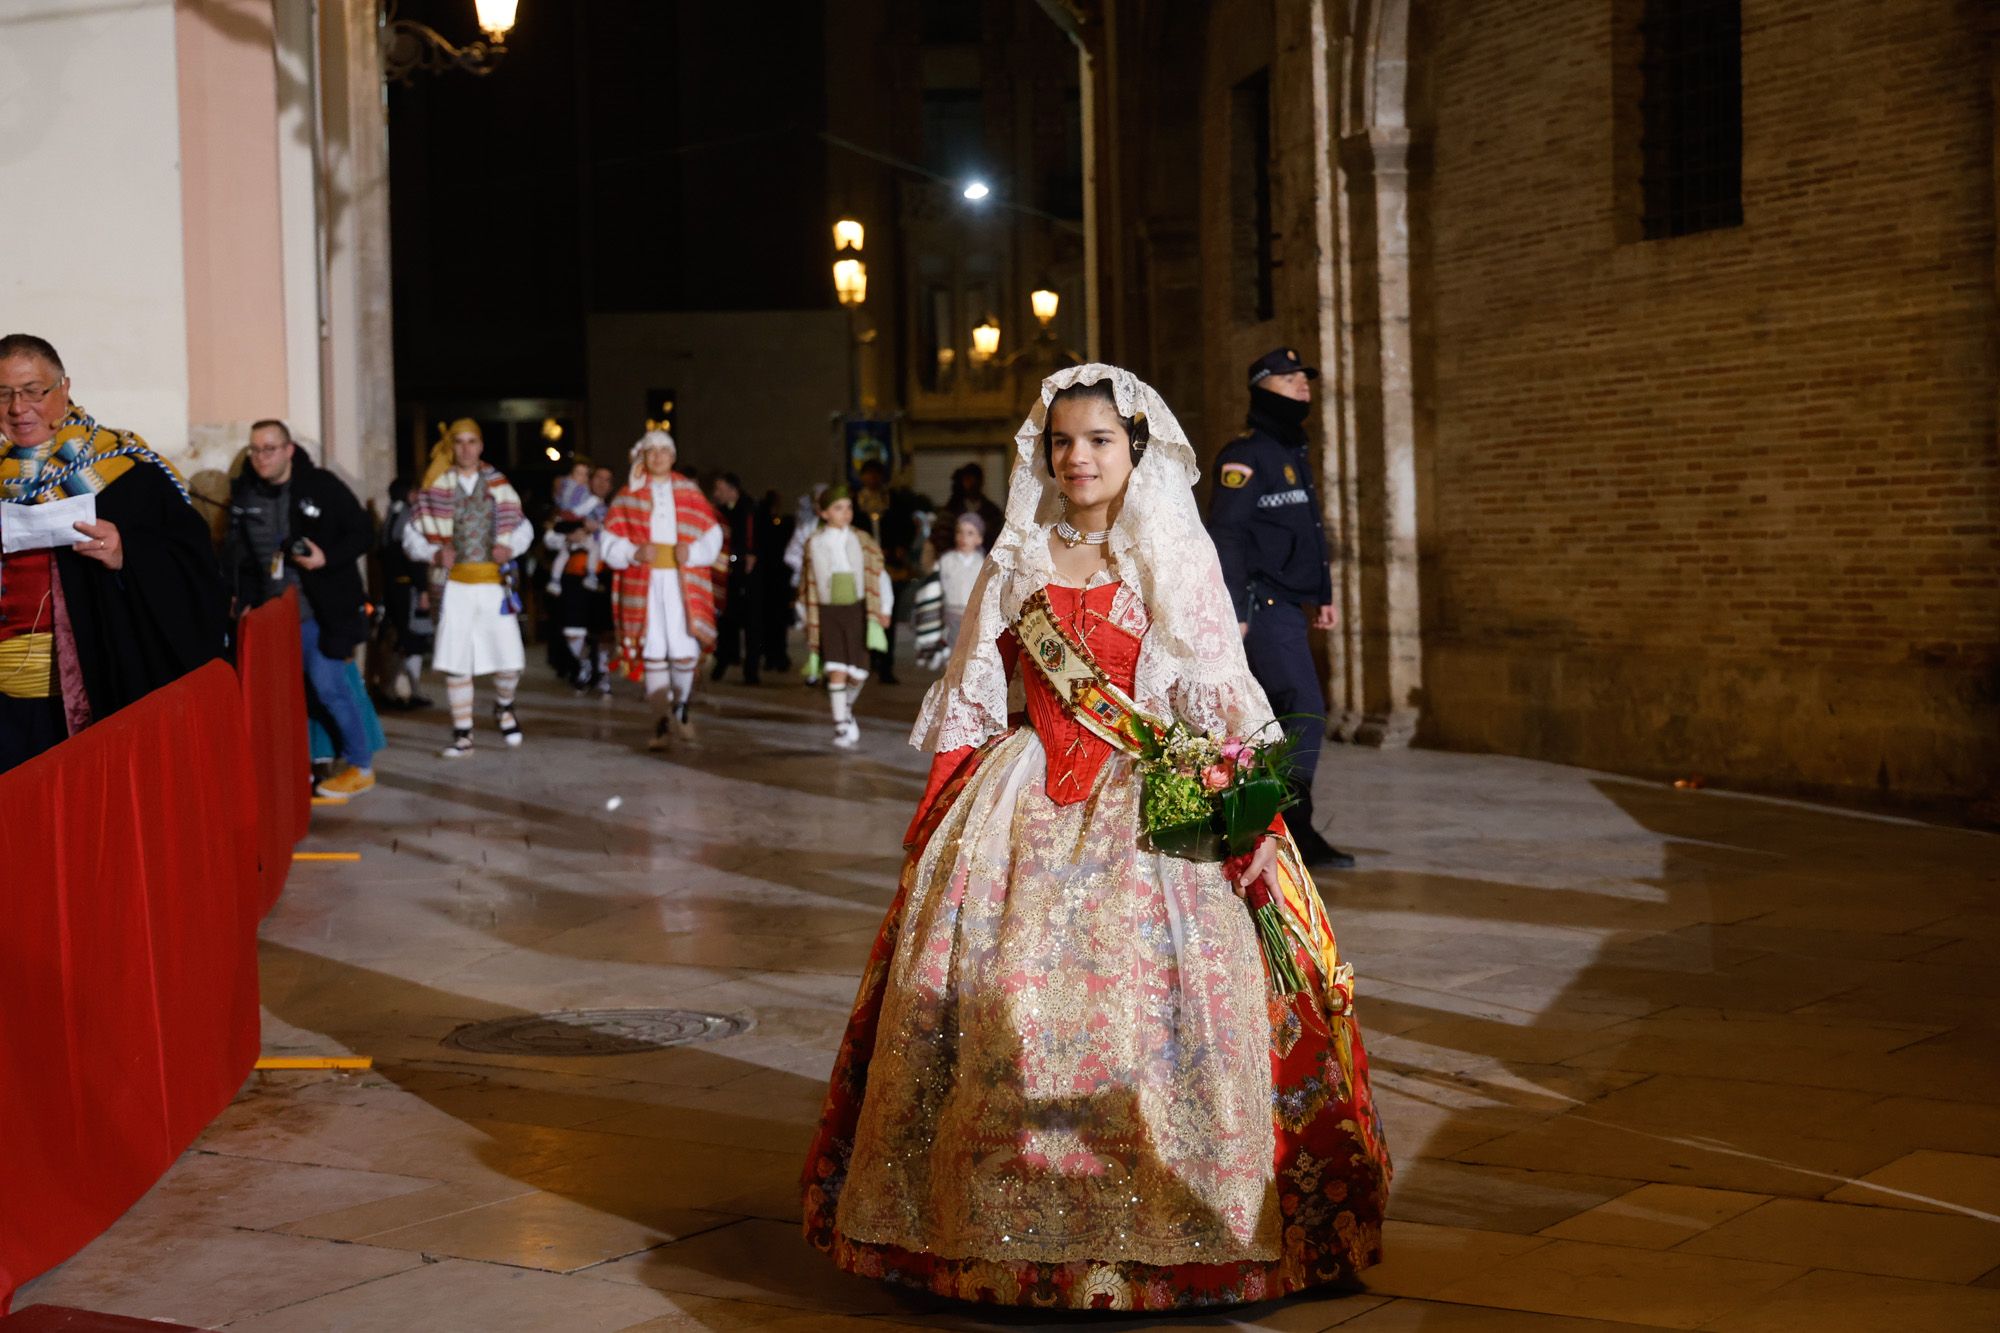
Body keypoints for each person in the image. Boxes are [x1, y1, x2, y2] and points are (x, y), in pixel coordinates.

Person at [801, 364, 1390, 1307]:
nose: (1078, 457)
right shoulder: (1016, 558)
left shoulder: (1171, 552)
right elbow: (973, 699)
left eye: (1099, 441)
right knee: (1005, 1008)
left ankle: (1170, 1230)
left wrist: (1257, 823)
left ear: (1135, 452)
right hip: (1019, 806)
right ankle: (991, 1235)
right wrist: (936, 825)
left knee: (1158, 1012)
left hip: (1147, 810)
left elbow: (1215, 691)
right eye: (1062, 442)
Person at [0, 333, 227, 773]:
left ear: (64, 389)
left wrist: (129, 554)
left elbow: (195, 567)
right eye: (4, 394)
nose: (17, 408)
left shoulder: (122, 469)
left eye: (33, 391)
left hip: (91, 695)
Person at [1207, 348, 1355, 870]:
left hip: (1289, 605)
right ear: (1262, 386)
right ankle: (1291, 825)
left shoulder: (1292, 451)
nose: (1301, 385)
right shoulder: (1246, 456)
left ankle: (1269, 823)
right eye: (1289, 378)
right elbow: (1227, 534)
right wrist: (1234, 607)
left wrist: (1324, 594)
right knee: (1305, 712)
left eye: (1303, 377)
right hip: (1261, 606)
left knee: (1277, 715)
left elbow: (1308, 533)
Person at [221, 420, 377, 799]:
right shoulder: (244, 496)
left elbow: (363, 532)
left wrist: (326, 558)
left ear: (289, 450)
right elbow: (240, 559)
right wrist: (241, 601)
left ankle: (361, 766)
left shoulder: (320, 486)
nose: (262, 457)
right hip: (271, 615)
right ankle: (303, 768)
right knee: (286, 697)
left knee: (330, 687)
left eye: (270, 449)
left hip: (319, 611)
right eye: (256, 449)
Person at [401, 418, 532, 757]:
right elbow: (412, 536)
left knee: (509, 660)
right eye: (459, 442)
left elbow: (523, 527)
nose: (466, 448)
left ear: (481, 445)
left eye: (472, 441)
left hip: (492, 582)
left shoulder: (498, 484)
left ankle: (504, 706)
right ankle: (463, 734)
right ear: (451, 447)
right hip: (454, 584)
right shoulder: (436, 485)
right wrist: (433, 552)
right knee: (457, 659)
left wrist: (512, 547)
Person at [599, 429, 723, 748]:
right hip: (645, 582)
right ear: (643, 455)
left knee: (684, 653)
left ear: (673, 456)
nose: (657, 457)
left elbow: (711, 533)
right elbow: (609, 540)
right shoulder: (628, 494)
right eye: (651, 451)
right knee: (653, 652)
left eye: (663, 451)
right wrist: (633, 552)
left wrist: (693, 553)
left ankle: (680, 707)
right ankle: (660, 721)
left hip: (682, 582)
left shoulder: (690, 492)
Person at [798, 485, 891, 749]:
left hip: (858, 610)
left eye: (848, 507)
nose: (846, 513)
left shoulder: (862, 541)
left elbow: (879, 575)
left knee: (858, 671)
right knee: (836, 668)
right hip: (828, 612)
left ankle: (847, 707)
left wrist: (884, 607)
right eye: (838, 508)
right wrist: (805, 617)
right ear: (824, 512)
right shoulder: (815, 543)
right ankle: (840, 725)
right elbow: (807, 583)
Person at [541, 457, 611, 692]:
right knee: (574, 627)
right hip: (573, 576)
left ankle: (602, 671)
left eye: (607, 480)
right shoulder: (570, 508)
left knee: (603, 629)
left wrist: (599, 529)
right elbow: (551, 537)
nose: (602, 483)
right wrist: (569, 536)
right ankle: (580, 667)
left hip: (602, 574)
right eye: (597, 478)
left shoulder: (611, 510)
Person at [851, 459, 919, 684]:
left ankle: (886, 664)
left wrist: (900, 547)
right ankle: (868, 659)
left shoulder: (894, 500)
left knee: (886, 612)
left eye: (875, 474)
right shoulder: (854, 502)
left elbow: (908, 526)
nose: (872, 479)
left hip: (889, 566)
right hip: (862, 565)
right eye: (867, 474)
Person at [378, 474, 434, 708]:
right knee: (408, 641)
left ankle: (395, 689)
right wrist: (422, 588)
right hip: (406, 587)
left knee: (402, 639)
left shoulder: (390, 516)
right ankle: (394, 690)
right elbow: (414, 558)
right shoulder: (407, 518)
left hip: (393, 585)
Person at [708, 471, 762, 684]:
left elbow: (753, 540)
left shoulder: (750, 509)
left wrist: (749, 554)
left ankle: (751, 671)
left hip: (748, 576)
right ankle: (723, 659)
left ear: (733, 490)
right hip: (728, 573)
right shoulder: (720, 511)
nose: (716, 494)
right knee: (726, 620)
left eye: (720, 489)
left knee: (751, 624)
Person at [754, 488, 796, 674]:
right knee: (775, 622)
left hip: (772, 580)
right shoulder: (769, 524)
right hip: (774, 580)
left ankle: (775, 657)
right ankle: (776, 656)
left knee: (773, 621)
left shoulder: (768, 523)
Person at [933, 511, 985, 652]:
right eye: (960, 532)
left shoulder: (982, 564)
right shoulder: (946, 561)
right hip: (951, 617)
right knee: (951, 656)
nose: (963, 538)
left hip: (973, 618)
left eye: (970, 533)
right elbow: (937, 588)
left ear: (979, 539)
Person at [927, 461, 1004, 557]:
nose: (972, 484)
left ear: (981, 481)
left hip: (985, 563)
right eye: (968, 479)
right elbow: (940, 539)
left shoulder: (992, 512)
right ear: (962, 481)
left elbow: (999, 540)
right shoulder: (951, 510)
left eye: (975, 479)